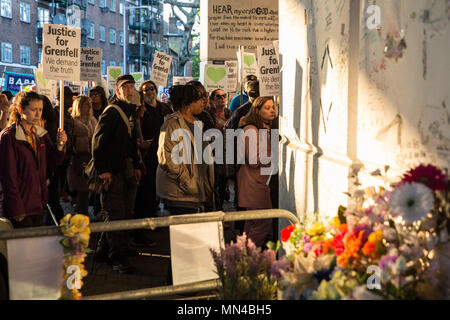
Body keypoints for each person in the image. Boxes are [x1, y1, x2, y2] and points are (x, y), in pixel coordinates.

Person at [91, 74, 142, 274]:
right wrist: (103, 170)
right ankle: (117, 258)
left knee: (119, 212)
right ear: (118, 90)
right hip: (112, 173)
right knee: (115, 213)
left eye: (132, 86)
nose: (130, 90)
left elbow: (130, 143)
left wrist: (137, 165)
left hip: (124, 170)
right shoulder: (112, 112)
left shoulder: (129, 111)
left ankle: (104, 251)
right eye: (126, 87)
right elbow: (97, 143)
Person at [0, 91, 67, 228]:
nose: (38, 114)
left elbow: (52, 163)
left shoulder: (41, 134)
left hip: (38, 204)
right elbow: (8, 177)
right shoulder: (9, 137)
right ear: (21, 110)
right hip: (19, 208)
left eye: (40, 109)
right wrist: (17, 209)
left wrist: (60, 147)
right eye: (33, 110)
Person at [156, 84, 215, 215]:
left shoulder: (197, 122)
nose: (203, 102)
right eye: (199, 99)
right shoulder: (171, 124)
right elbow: (166, 159)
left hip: (196, 191)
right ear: (187, 103)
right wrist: (186, 181)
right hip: (179, 193)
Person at [133, 80, 172, 245]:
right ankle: (142, 228)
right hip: (147, 156)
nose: (148, 92)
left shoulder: (164, 108)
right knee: (145, 191)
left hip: (162, 155)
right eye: (145, 90)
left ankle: (153, 220)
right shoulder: (140, 110)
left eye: (151, 89)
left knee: (157, 189)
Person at [236, 96, 276, 247]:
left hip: (257, 182)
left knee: (252, 223)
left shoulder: (259, 129)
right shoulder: (251, 130)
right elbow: (254, 160)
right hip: (253, 184)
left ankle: (241, 258)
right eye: (267, 107)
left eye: (273, 107)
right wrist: (274, 151)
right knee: (261, 223)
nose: (272, 110)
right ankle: (248, 258)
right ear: (257, 111)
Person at [67, 96, 97, 216]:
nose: (89, 107)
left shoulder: (92, 120)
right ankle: (81, 215)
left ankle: (82, 214)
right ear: (79, 106)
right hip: (78, 159)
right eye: (86, 104)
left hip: (91, 158)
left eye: (90, 104)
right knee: (82, 190)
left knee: (87, 190)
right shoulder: (73, 121)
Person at [208, 88, 233, 210]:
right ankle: (214, 211)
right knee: (213, 185)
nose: (222, 98)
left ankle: (220, 209)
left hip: (226, 154)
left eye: (224, 96)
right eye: (218, 97)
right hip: (211, 154)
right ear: (212, 100)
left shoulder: (230, 113)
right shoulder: (207, 115)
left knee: (223, 184)